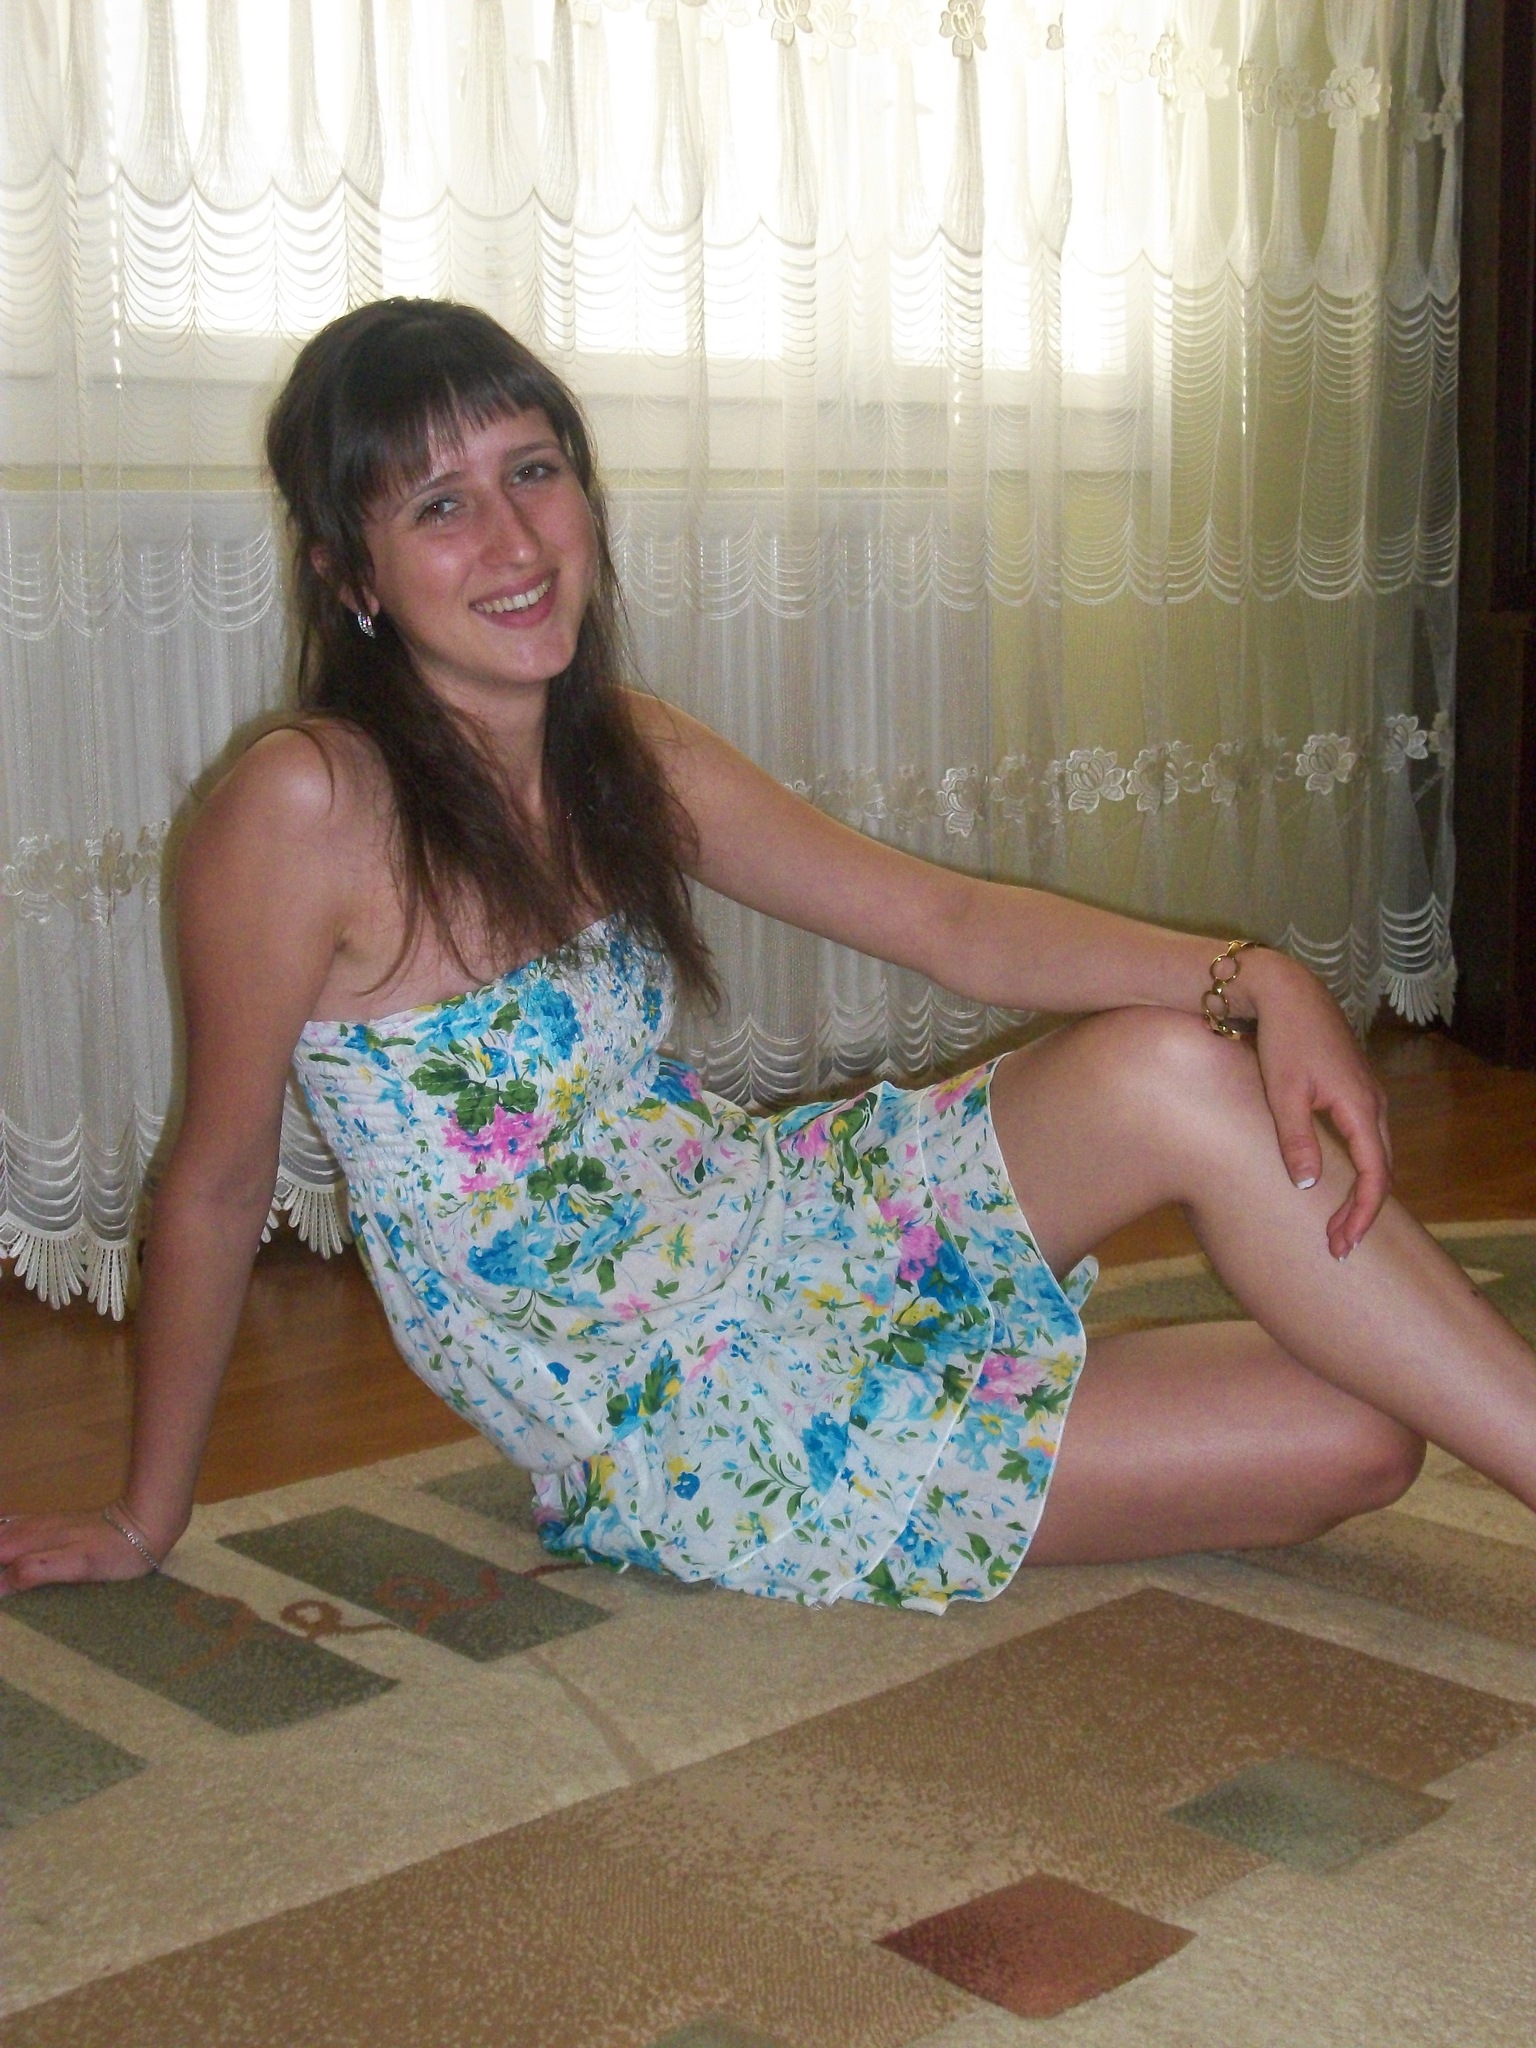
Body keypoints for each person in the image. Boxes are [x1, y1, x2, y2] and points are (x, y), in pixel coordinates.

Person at [3, 299, 1534, 1611]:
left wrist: (1258, 975)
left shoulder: (620, 749)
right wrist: (146, 1517)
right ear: (352, 573)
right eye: (440, 506)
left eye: (533, 471)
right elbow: (215, 1182)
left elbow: (944, 921)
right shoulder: (302, 807)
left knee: (1176, 1061)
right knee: (1360, 1440)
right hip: (685, 1404)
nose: (516, 540)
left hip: (785, 1222)